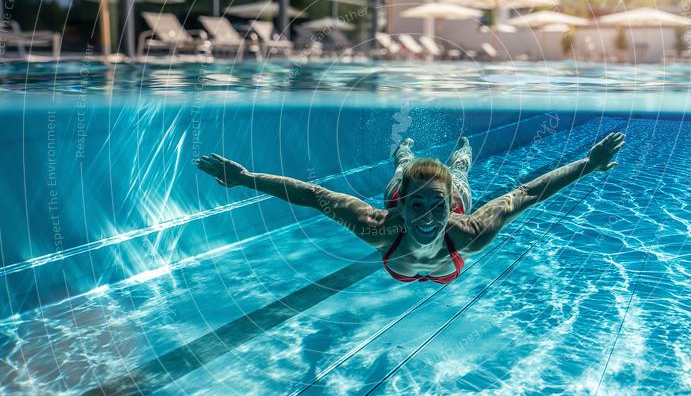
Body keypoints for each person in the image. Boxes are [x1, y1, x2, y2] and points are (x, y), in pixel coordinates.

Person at [196, 132, 625, 285]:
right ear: (401, 204)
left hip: (452, 204)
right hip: (407, 239)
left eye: (435, 206)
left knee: (459, 174)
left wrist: (589, 164)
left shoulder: (468, 229)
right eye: (414, 203)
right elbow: (314, 194)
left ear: (448, 208)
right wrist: (246, 179)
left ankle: (461, 155)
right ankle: (403, 157)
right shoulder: (378, 225)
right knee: (402, 168)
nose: (424, 216)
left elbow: (528, 194)